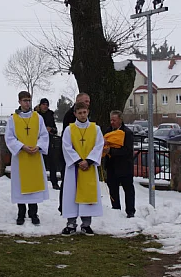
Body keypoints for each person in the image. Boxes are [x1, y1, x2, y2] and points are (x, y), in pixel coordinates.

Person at [60, 101, 104, 235]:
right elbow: (66, 147)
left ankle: (86, 224)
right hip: (74, 168)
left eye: (84, 112)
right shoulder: (69, 129)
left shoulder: (95, 129)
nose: (83, 115)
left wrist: (89, 161)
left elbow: (99, 146)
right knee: (71, 195)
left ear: (88, 112)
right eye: (79, 113)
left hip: (88, 168)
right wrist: (79, 161)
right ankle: (71, 223)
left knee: (87, 195)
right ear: (75, 114)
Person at [6, 91, 49, 226]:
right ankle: (21, 213)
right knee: (20, 186)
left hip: (35, 156)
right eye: (24, 100)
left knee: (34, 185)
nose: (27, 103)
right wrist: (21, 146)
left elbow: (43, 135)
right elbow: (9, 137)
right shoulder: (13, 119)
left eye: (29, 100)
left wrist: (39, 146)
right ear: (19, 102)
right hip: (20, 157)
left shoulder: (38, 117)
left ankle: (33, 213)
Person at [58, 92, 90, 213]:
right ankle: (65, 206)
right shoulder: (71, 116)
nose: (88, 104)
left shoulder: (85, 116)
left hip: (84, 157)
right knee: (68, 182)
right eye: (85, 101)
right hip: (72, 157)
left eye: (88, 102)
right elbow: (70, 139)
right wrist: (77, 158)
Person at [103, 110, 136, 218]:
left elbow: (127, 150)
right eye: (111, 120)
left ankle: (130, 212)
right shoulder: (108, 132)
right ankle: (116, 210)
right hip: (112, 167)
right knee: (113, 189)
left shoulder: (127, 133)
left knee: (128, 190)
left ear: (120, 120)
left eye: (114, 120)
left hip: (124, 166)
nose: (112, 122)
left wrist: (111, 151)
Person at [36, 97, 59, 190]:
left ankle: (54, 183)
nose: (45, 106)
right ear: (40, 105)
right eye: (43, 104)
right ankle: (38, 181)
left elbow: (55, 129)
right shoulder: (35, 114)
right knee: (39, 162)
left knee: (52, 162)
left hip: (49, 141)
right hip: (38, 141)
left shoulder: (50, 114)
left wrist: (51, 129)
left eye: (47, 105)